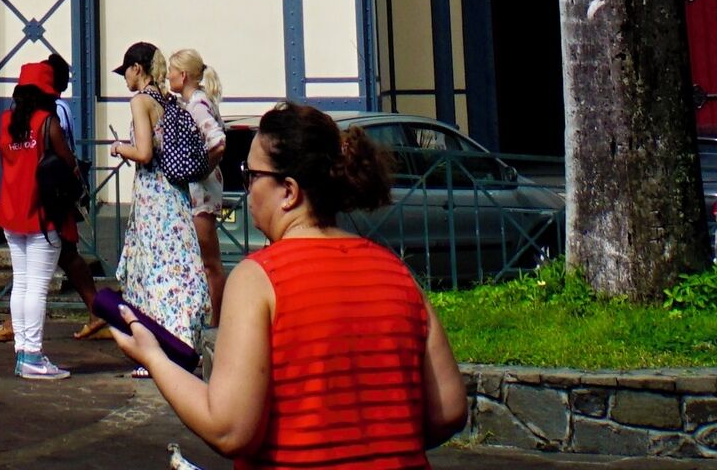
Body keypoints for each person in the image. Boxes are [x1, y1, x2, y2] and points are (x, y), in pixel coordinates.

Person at [116, 98, 468, 469]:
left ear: (289, 191)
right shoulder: (397, 274)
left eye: (251, 175)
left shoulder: (258, 280)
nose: (247, 189)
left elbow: (228, 428)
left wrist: (153, 357)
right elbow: (448, 410)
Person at [116, 41, 214, 355]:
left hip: (152, 199)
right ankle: (182, 342)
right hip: (175, 194)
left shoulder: (141, 101)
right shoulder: (165, 99)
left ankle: (157, 349)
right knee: (176, 268)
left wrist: (120, 148)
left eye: (126, 72)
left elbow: (144, 153)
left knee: (154, 271)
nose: (125, 79)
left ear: (137, 69)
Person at [0, 74, 80, 382]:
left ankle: (23, 352)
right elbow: (67, 160)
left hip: (11, 210)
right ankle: (32, 355)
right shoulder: (47, 122)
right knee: (37, 287)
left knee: (21, 283)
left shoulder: (6, 120)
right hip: (42, 213)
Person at [169, 45, 231, 318]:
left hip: (201, 191)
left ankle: (217, 319)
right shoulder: (197, 102)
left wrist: (202, 167)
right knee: (204, 260)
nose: (168, 76)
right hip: (202, 188)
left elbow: (217, 140)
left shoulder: (196, 105)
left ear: (183, 75)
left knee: (209, 261)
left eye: (171, 71)